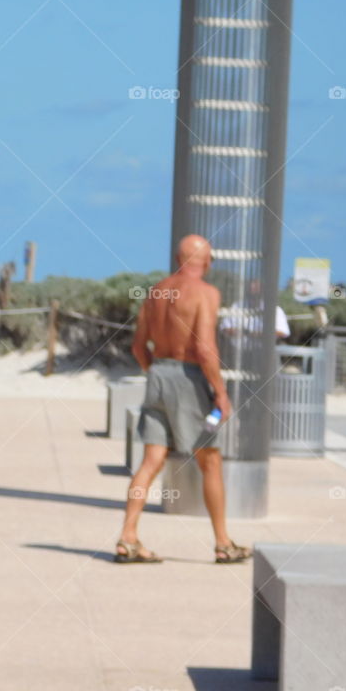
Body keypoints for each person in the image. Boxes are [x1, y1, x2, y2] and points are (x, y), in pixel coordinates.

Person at [116, 234, 251, 564]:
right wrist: (220, 393)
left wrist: (156, 374)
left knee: (150, 462)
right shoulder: (206, 293)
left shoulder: (156, 291)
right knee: (211, 461)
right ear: (204, 261)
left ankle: (127, 537)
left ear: (179, 259)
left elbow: (138, 346)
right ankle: (223, 544)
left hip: (159, 373)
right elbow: (205, 348)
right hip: (188, 379)